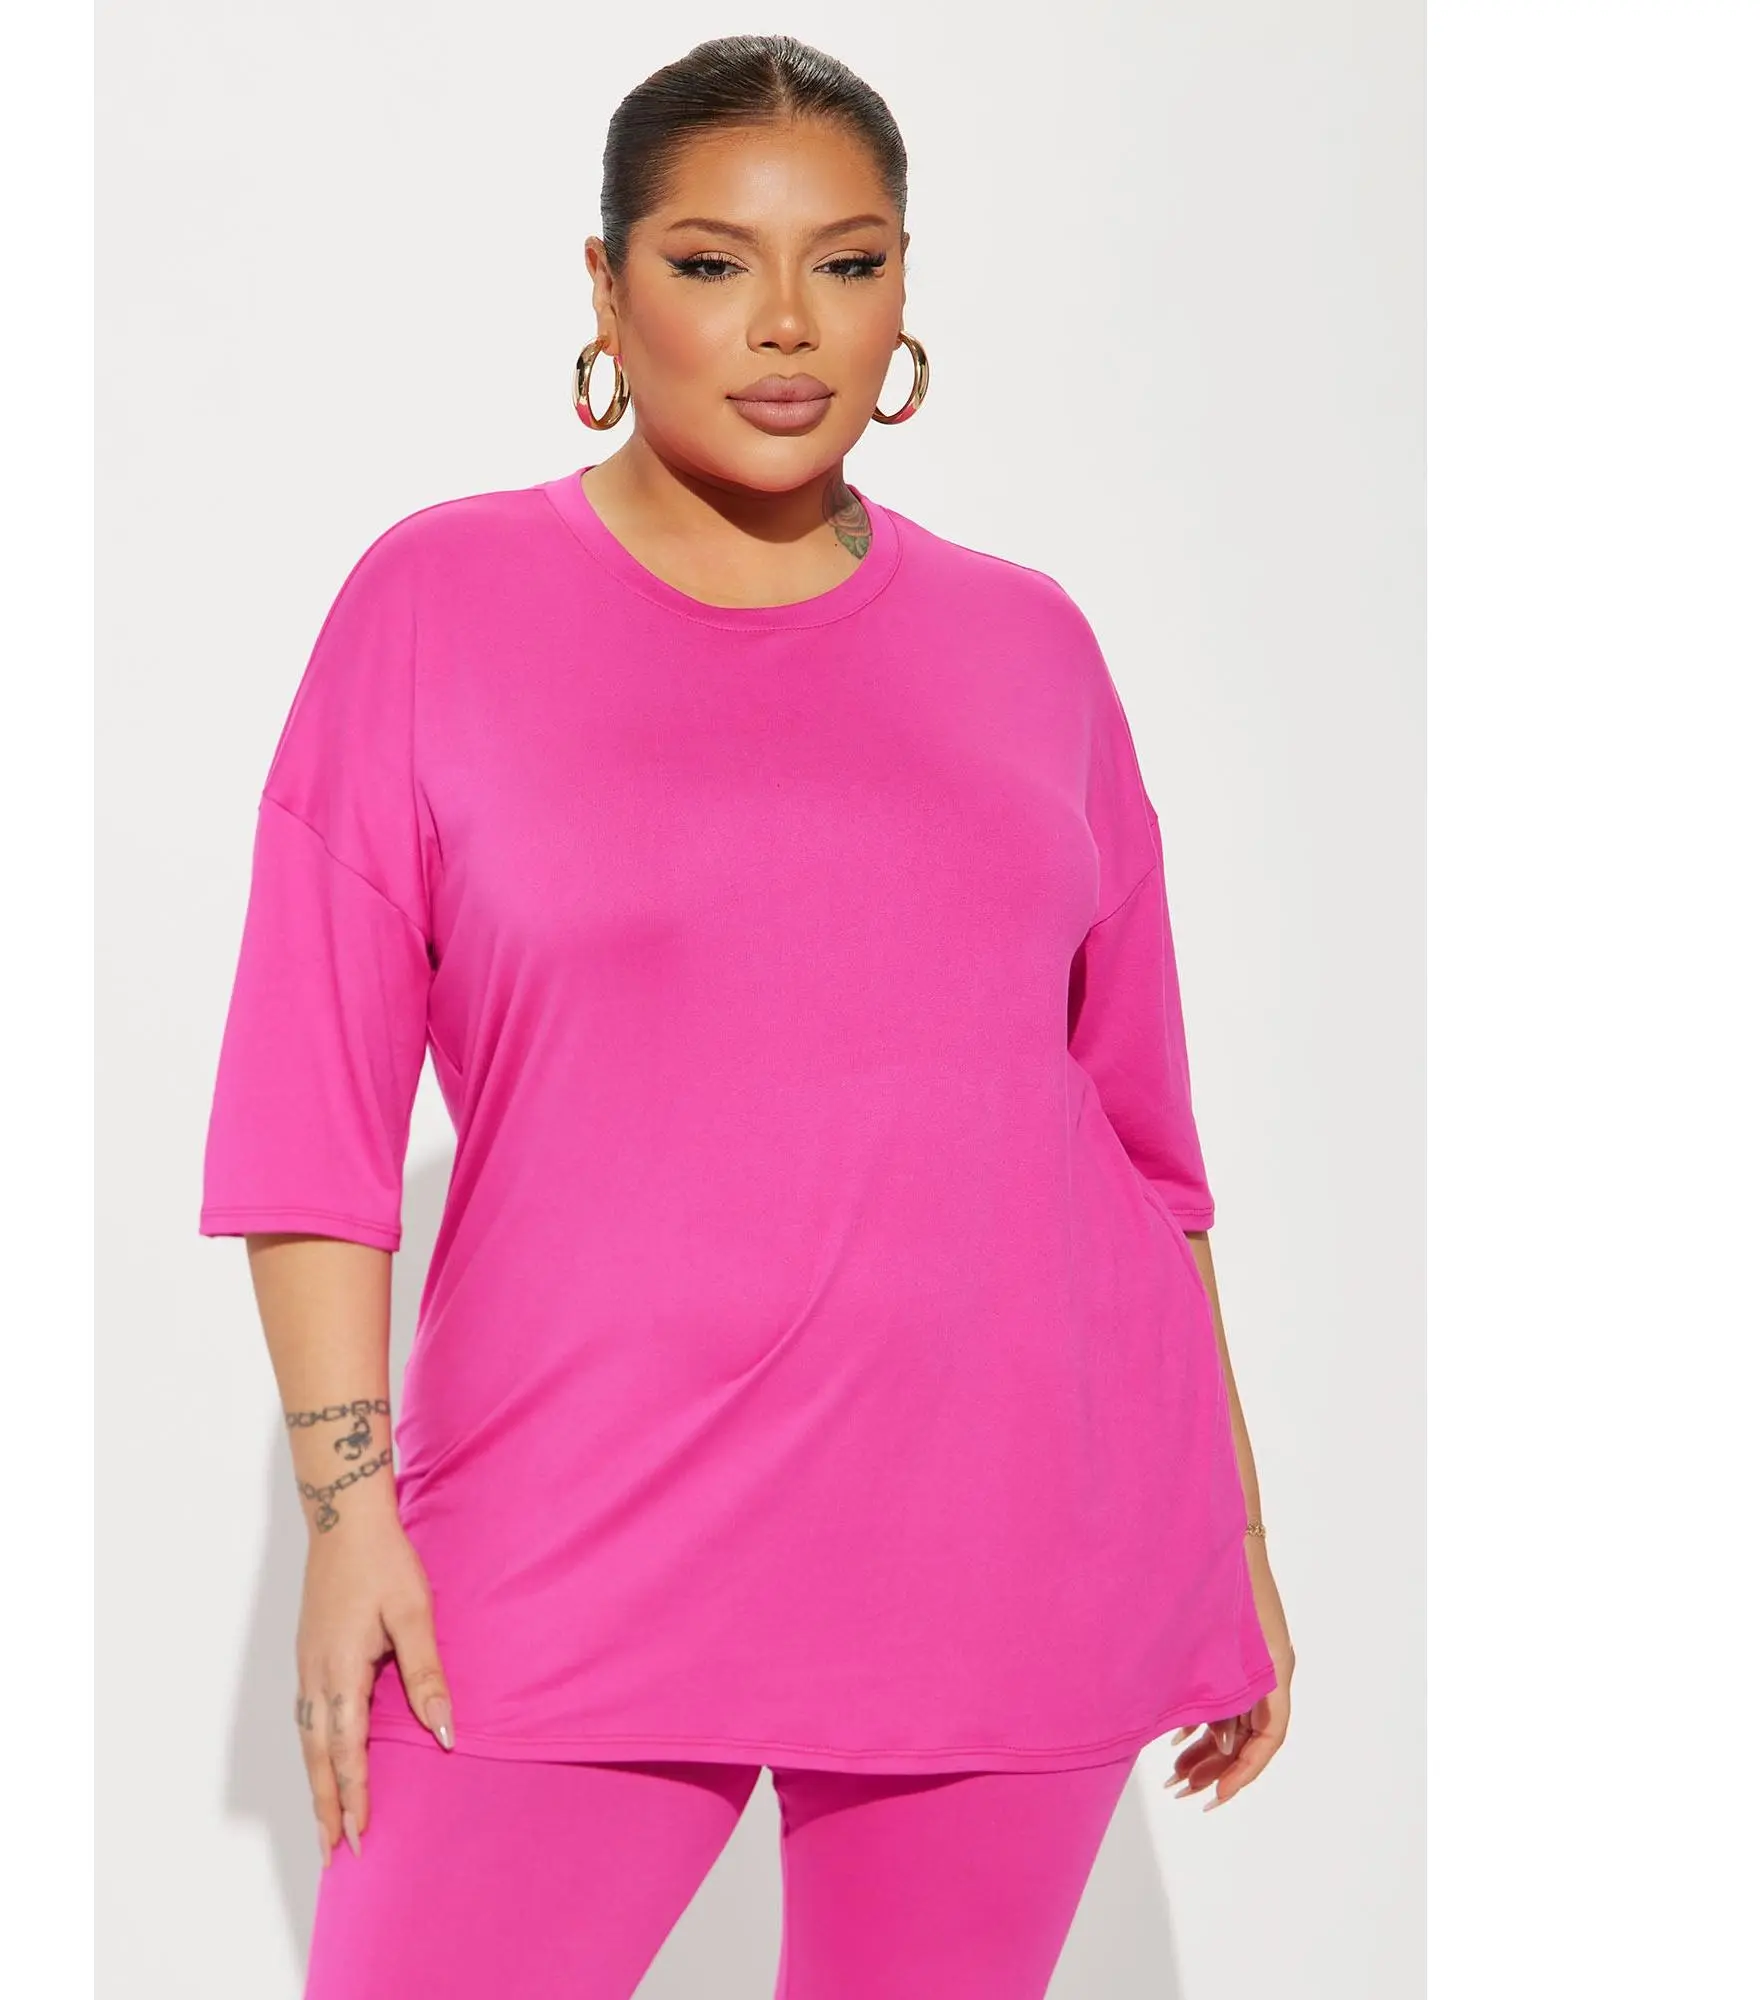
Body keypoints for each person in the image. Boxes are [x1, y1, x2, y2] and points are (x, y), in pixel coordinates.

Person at [198, 31, 1296, 1999]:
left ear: (903, 289)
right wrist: (348, 1521)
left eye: (847, 262)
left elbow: (1144, 1146)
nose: (788, 323)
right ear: (607, 287)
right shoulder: (436, 604)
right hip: (569, 1538)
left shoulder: (1030, 646)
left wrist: (1232, 1540)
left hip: (1007, 1536)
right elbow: (309, 1121)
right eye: (712, 263)